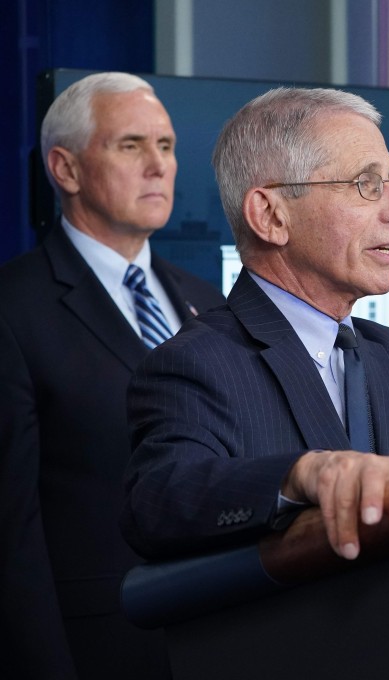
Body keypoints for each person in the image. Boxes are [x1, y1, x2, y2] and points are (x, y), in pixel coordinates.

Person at [120, 87, 389, 563]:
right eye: (366, 184)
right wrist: (297, 476)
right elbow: (158, 501)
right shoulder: (195, 364)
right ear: (271, 215)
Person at [0, 72, 224, 678]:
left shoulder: (205, 299)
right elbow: (11, 537)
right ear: (65, 170)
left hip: (221, 638)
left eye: (167, 146)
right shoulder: (13, 309)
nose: (158, 166)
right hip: (99, 652)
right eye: (131, 145)